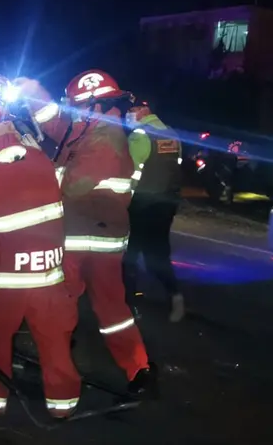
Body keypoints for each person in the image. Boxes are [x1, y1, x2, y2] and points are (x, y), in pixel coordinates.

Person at [17, 70, 157, 396]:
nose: (69, 110)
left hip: (84, 236)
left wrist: (28, 177)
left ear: (93, 105)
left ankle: (71, 369)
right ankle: (137, 368)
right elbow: (55, 122)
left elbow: (74, 185)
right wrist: (32, 90)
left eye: (74, 105)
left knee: (67, 303)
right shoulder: (88, 127)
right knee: (109, 308)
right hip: (98, 235)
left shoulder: (105, 138)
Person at [0, 97, 81, 418]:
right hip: (48, 277)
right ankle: (62, 406)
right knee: (55, 342)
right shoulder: (41, 160)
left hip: (6, 281)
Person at [123, 100, 185, 322]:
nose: (128, 116)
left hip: (140, 204)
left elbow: (129, 173)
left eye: (131, 111)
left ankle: (128, 307)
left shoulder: (140, 135)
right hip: (166, 204)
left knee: (129, 255)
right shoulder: (172, 134)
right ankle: (175, 296)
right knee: (157, 254)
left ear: (143, 112)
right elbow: (175, 168)